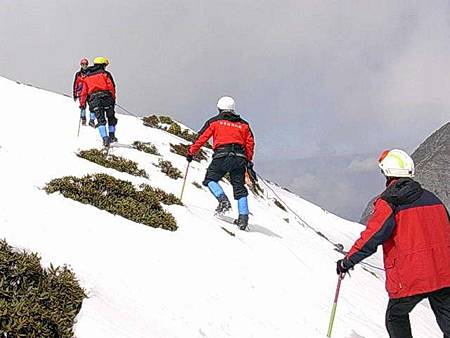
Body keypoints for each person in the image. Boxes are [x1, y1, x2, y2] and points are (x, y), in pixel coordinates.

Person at [336, 149, 450, 338]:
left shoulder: (389, 202)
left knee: (395, 316)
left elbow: (371, 238)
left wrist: (346, 262)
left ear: (387, 173)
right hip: (443, 274)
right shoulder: (433, 199)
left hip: (410, 277)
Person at [186, 96, 255, 230]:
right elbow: (250, 143)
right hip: (239, 158)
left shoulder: (214, 122)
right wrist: (248, 160)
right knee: (240, 188)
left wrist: (190, 152)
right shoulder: (244, 124)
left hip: (222, 156)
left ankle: (222, 199)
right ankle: (243, 218)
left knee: (210, 179)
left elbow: (202, 138)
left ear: (219, 108)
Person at [79, 57, 117, 146]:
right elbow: (111, 87)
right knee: (111, 117)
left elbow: (84, 92)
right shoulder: (105, 74)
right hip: (106, 98)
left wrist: (82, 103)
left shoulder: (87, 76)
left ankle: (105, 138)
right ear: (103, 65)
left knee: (100, 120)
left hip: (94, 100)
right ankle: (112, 136)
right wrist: (113, 98)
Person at [72, 58, 95, 126]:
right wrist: (75, 94)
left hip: (89, 92)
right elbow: (75, 84)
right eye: (83, 64)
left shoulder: (91, 73)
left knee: (92, 106)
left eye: (85, 64)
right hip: (81, 92)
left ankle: (92, 120)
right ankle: (83, 119)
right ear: (81, 65)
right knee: (82, 106)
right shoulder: (78, 74)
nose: (84, 65)